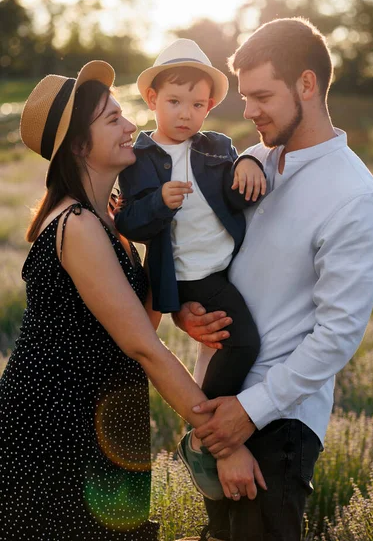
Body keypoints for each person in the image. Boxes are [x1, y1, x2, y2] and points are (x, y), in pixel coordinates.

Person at [0, 60, 265, 540]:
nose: (131, 127)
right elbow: (143, 345)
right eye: (113, 119)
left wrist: (182, 308)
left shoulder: (110, 221)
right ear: (80, 144)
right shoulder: (77, 225)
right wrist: (221, 443)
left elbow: (135, 317)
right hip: (56, 424)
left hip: (101, 416)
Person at [174, 18, 373, 541]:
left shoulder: (354, 199)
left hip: (278, 424)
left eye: (262, 96)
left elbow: (337, 336)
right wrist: (186, 313)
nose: (248, 111)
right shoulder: (255, 163)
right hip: (217, 399)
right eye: (246, 97)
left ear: (307, 85)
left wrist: (248, 414)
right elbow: (207, 256)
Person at [114, 39, 267, 497]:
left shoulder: (217, 146)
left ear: (210, 106)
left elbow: (238, 192)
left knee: (225, 340)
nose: (185, 113)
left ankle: (212, 426)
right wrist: (159, 202)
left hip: (224, 269)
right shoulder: (141, 158)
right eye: (175, 102)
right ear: (153, 100)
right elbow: (131, 222)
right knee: (243, 342)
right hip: (183, 275)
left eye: (197, 104)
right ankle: (212, 428)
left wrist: (251, 163)